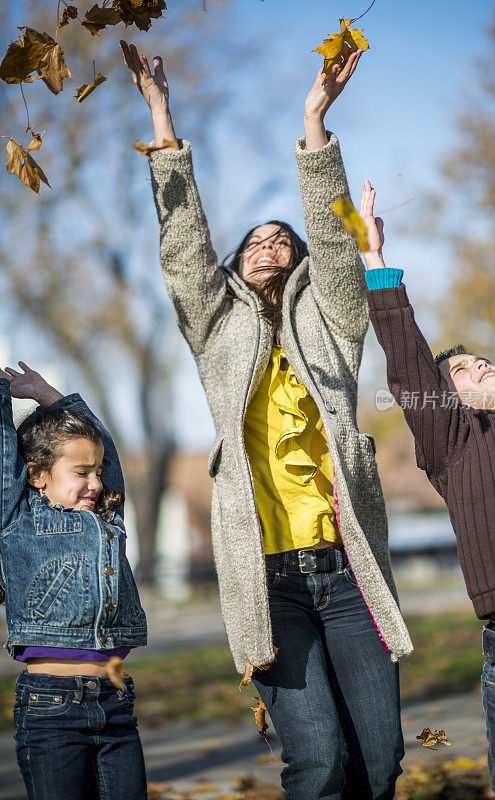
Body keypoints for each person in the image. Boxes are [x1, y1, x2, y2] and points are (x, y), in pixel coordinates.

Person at [120, 41, 412, 800]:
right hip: (270, 582)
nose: (269, 243)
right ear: (236, 264)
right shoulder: (217, 329)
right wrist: (162, 121)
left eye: (283, 238)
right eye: (254, 240)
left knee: (377, 763)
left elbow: (337, 241)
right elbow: (184, 250)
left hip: (347, 575)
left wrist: (315, 119)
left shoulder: (332, 321)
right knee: (316, 765)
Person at [359, 178, 495, 800]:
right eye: (461, 370)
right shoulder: (454, 441)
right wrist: (378, 265)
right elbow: (408, 364)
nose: (481, 363)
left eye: (481, 358)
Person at [0, 362, 148, 800]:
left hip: (116, 702)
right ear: (36, 475)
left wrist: (48, 395)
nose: (96, 483)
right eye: (81, 473)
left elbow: (109, 456)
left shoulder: (106, 515)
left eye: (97, 471)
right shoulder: (19, 520)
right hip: (50, 709)